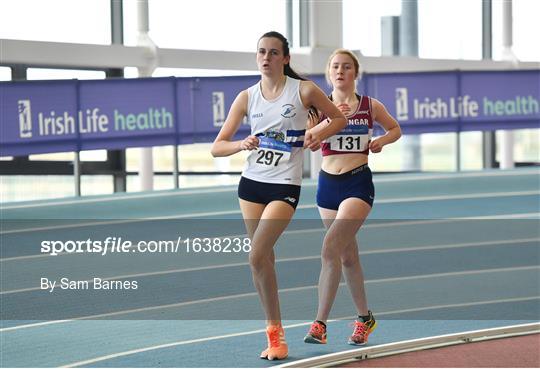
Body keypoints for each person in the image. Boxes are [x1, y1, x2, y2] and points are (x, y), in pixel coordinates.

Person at [211, 32, 347, 360]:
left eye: (273, 53)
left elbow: (339, 119)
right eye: (261, 52)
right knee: (264, 260)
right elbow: (217, 147)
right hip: (251, 185)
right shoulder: (246, 97)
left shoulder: (303, 90)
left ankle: (275, 334)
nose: (266, 58)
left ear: (285, 58)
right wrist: (240, 144)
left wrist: (317, 134)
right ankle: (275, 332)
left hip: (284, 186)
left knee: (256, 256)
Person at [303, 49, 401, 346]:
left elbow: (395, 128)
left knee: (330, 248)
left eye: (347, 67)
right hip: (327, 187)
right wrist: (331, 121)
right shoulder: (319, 108)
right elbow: (309, 142)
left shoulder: (371, 106)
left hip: (357, 184)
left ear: (355, 73)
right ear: (328, 73)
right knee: (347, 256)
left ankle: (319, 324)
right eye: (335, 66)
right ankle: (365, 319)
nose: (340, 71)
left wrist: (381, 141)